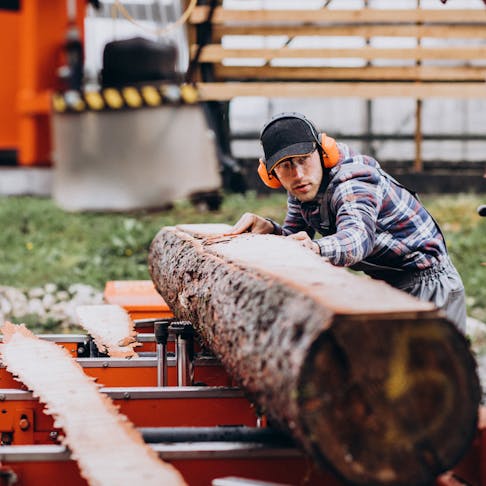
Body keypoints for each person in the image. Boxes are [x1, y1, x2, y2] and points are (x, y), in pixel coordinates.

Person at [227, 112, 467, 332]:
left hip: (428, 285)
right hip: (390, 282)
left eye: (303, 159)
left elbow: (357, 239)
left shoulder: (353, 179)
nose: (298, 174)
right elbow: (296, 239)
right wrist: (270, 230)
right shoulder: (303, 187)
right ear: (272, 175)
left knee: (429, 376)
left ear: (323, 153)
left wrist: (317, 248)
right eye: (285, 166)